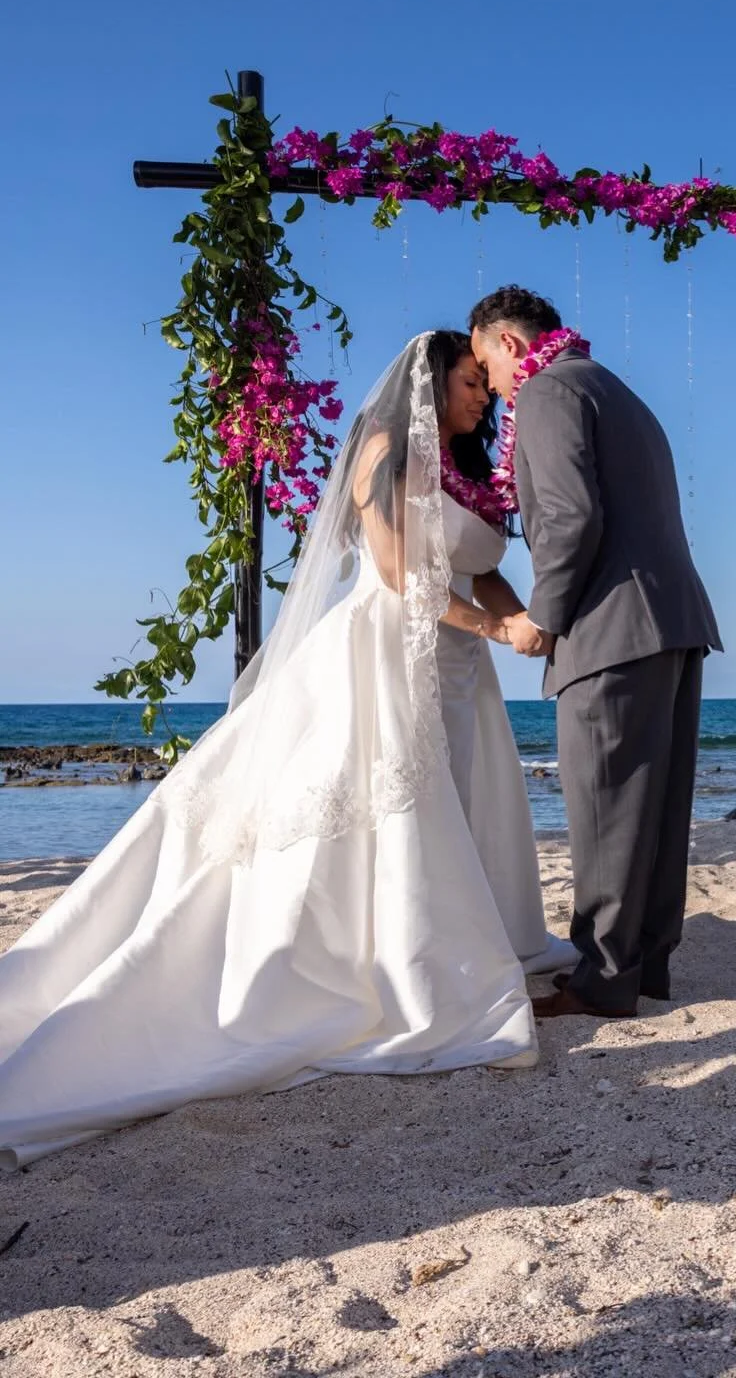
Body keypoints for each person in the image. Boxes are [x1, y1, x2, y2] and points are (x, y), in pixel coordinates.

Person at [0, 331, 574, 1169]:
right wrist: (493, 627)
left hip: (458, 667)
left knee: (461, 798)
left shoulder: (469, 473)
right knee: (365, 807)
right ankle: (370, 965)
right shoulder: (386, 449)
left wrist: (521, 618)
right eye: (468, 381)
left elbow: (478, 567)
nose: (483, 396)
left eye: (484, 386)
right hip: (383, 653)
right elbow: (394, 572)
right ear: (428, 382)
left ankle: (452, 944)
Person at [470, 287, 722, 1018]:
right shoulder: (618, 391)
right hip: (672, 618)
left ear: (510, 345)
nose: (491, 387)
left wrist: (543, 617)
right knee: (658, 807)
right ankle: (645, 968)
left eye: (487, 366)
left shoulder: (549, 392)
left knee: (608, 808)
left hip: (611, 627)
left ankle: (602, 979)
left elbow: (572, 517)